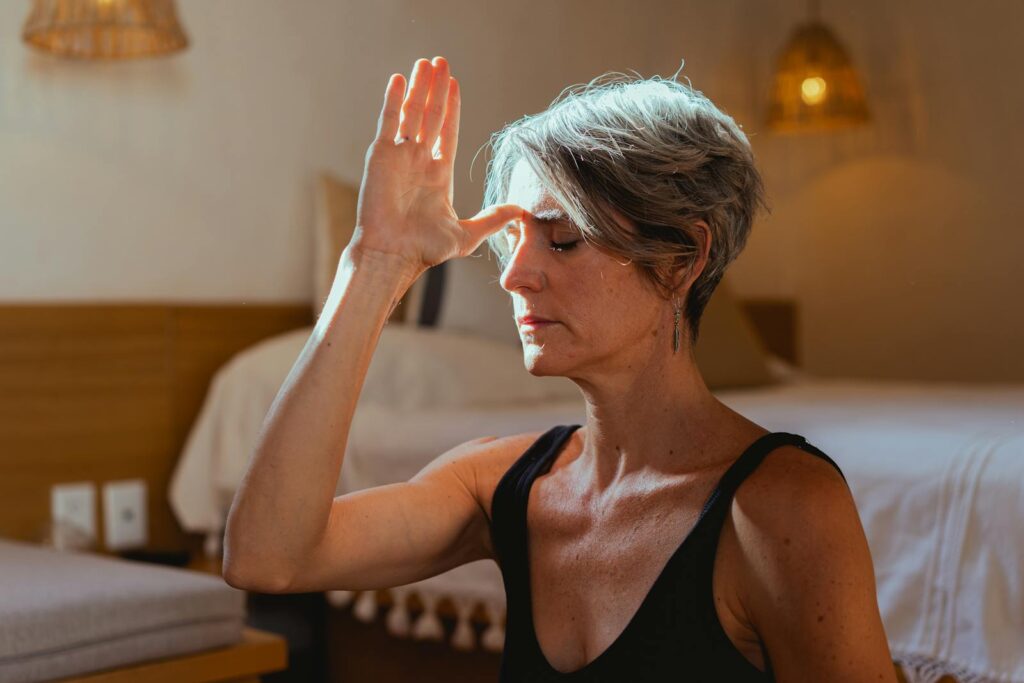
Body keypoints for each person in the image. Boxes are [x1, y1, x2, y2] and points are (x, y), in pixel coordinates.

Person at [223, 56, 898, 682]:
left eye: (563, 239)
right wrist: (374, 264)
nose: (514, 275)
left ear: (680, 259)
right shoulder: (500, 487)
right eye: (515, 238)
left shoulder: (783, 508)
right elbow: (266, 556)